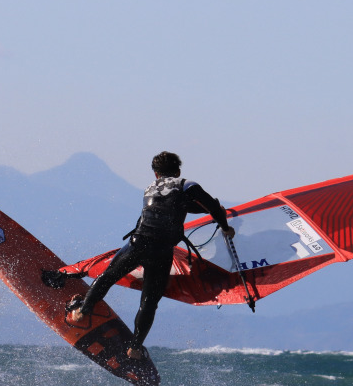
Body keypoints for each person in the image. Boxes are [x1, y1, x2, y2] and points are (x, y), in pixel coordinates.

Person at [67, 151, 233, 359]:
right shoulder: (187, 185)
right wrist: (224, 225)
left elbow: (180, 205)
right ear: (178, 170)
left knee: (108, 277)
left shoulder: (150, 188)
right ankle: (135, 348)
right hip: (161, 251)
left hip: (138, 243)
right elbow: (206, 205)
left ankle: (83, 311)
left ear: (156, 174)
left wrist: (213, 208)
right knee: (149, 301)